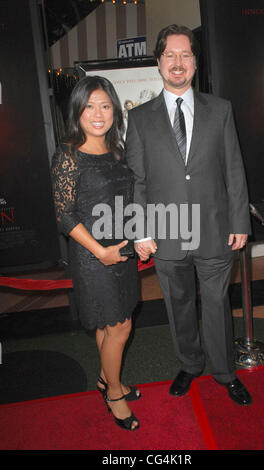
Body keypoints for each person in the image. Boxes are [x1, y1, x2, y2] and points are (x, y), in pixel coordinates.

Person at [126, 24, 252, 406]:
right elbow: (137, 179)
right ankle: (189, 365)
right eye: (170, 55)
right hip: (165, 233)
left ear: (195, 62)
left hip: (215, 231)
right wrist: (139, 230)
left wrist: (239, 222)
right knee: (177, 305)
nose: (177, 62)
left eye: (185, 55)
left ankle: (225, 372)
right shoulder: (141, 118)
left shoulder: (221, 109)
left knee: (216, 305)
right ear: (159, 62)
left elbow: (234, 169)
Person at [51, 76, 141, 431]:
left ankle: (107, 379)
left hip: (120, 250)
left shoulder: (116, 150)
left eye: (105, 105)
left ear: (114, 110)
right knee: (120, 325)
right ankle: (114, 392)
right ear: (77, 111)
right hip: (93, 256)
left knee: (111, 324)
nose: (98, 113)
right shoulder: (69, 155)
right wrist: (100, 251)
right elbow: (64, 215)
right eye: (90, 106)